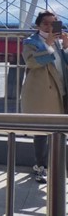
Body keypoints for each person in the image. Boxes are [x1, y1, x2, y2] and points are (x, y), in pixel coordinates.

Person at [20, 10, 68, 183]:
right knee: (42, 132)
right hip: (43, 92)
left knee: (60, 131)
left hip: (61, 88)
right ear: (38, 25)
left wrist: (66, 46)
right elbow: (32, 62)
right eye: (45, 23)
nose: (49, 27)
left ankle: (57, 165)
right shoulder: (31, 42)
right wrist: (48, 44)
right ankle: (41, 167)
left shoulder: (58, 43)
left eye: (53, 23)